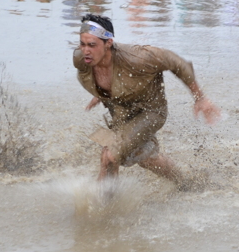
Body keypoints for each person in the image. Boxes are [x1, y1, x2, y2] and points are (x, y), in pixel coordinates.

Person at [74, 15, 220, 185]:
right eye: (82, 44)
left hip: (150, 111)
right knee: (143, 156)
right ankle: (184, 183)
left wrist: (200, 98)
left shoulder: (136, 58)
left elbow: (177, 63)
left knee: (110, 155)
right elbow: (108, 78)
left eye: (92, 45)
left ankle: (103, 206)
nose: (86, 50)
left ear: (108, 43)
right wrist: (102, 92)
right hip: (121, 107)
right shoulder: (81, 59)